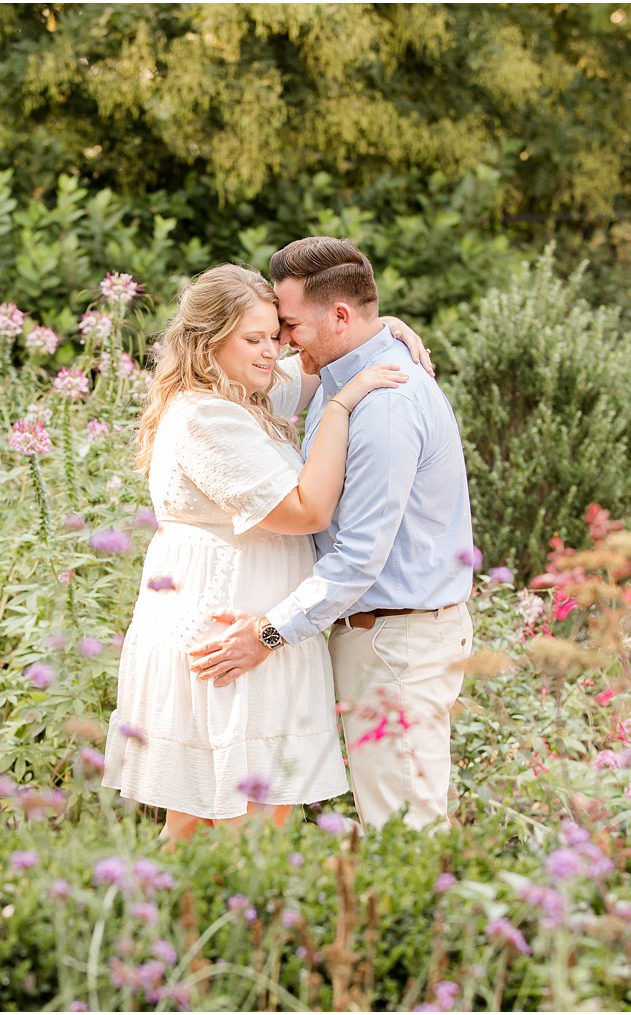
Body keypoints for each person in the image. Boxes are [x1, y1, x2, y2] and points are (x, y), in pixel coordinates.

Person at [101, 263, 432, 842]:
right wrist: (341, 406)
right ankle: (216, 924)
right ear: (208, 343)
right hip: (230, 629)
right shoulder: (206, 417)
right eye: (253, 339)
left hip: (248, 624)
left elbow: (317, 362)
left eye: (274, 336)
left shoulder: (241, 388)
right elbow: (308, 510)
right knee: (247, 824)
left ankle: (146, 919)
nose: (270, 352)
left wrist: (380, 328)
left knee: (200, 822)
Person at [187, 237, 474, 833]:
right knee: (401, 822)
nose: (284, 343)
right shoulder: (347, 376)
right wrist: (387, 326)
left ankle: (430, 929)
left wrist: (266, 634)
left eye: (289, 326)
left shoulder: (383, 404)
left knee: (405, 833)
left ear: (340, 317)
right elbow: (248, 372)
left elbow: (359, 555)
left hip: (394, 642)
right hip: (380, 637)